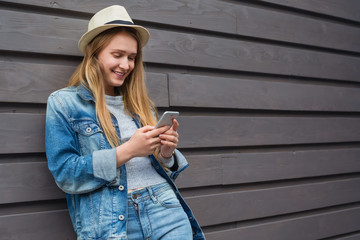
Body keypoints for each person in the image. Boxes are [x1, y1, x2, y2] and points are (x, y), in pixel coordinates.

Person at [45, 5, 205, 240]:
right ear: (94, 53)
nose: (126, 65)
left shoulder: (141, 105)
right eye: (117, 55)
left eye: (131, 57)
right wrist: (127, 151)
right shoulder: (64, 103)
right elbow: (66, 174)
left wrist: (166, 154)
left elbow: (158, 169)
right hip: (112, 221)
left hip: (165, 209)